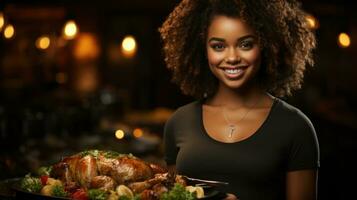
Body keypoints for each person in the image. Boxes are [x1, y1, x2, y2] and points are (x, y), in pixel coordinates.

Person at [159, 0, 320, 199]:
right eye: (218, 46)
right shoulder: (179, 122)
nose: (232, 57)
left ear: (267, 45)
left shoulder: (295, 127)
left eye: (245, 44)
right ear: (203, 50)